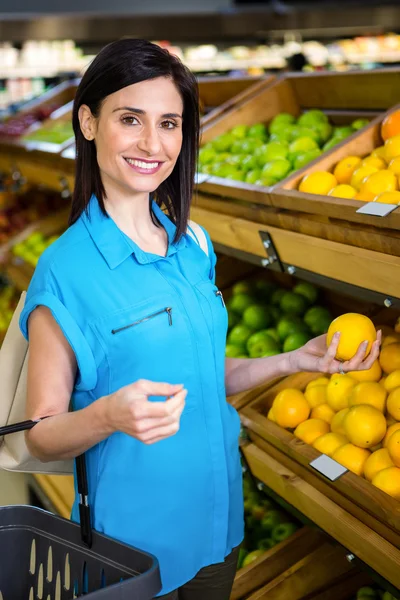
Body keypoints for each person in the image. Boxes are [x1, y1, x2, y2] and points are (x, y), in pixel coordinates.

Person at [19, 39, 381, 600]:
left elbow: (202, 374)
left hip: (219, 527)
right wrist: (109, 414)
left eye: (169, 123)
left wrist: (292, 360)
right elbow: (39, 433)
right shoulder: (66, 271)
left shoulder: (193, 243)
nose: (151, 143)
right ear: (88, 122)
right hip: (137, 551)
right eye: (130, 119)